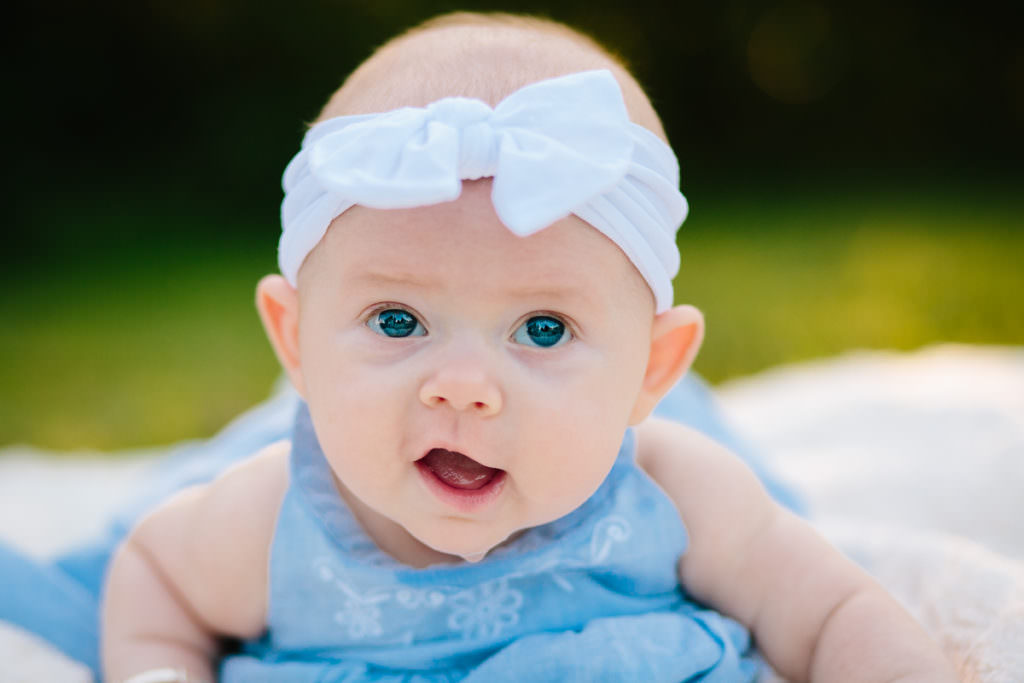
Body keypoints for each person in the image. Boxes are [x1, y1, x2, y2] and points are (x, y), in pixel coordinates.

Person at [100, 12, 957, 683]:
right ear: (292, 338)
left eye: (543, 328)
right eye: (397, 320)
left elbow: (833, 611)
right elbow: (154, 578)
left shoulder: (677, 494)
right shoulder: (269, 520)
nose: (465, 387)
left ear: (651, 370)